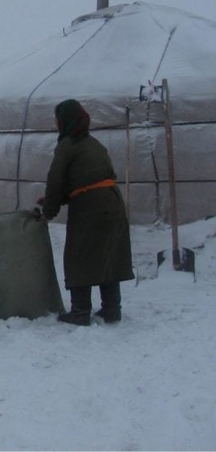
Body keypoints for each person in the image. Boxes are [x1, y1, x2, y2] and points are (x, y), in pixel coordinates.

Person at [38, 99, 134, 326]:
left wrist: (49, 211)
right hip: (112, 201)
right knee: (107, 254)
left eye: (57, 119)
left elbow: (55, 180)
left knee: (79, 255)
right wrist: (61, 198)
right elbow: (90, 177)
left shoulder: (67, 145)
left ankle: (80, 312)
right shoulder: (94, 143)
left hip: (91, 208)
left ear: (65, 121)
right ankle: (112, 309)